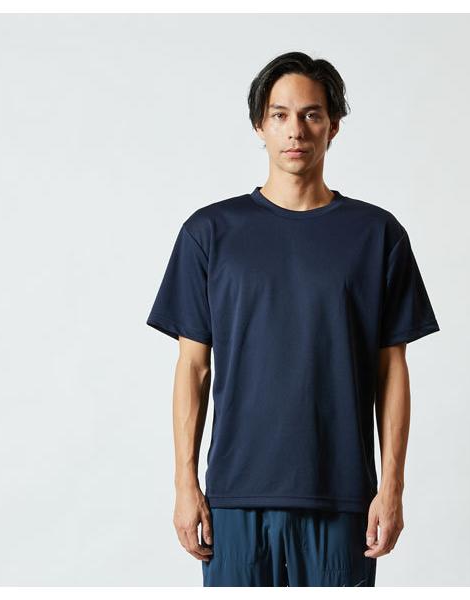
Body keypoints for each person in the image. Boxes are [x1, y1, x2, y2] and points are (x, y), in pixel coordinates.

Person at [146, 51, 440, 587]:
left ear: (334, 125)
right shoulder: (210, 233)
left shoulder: (377, 236)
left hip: (342, 496)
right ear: (259, 126)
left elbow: (391, 369)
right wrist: (185, 484)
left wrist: (392, 486)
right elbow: (193, 367)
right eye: (279, 115)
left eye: (311, 115)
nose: (295, 130)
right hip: (235, 496)